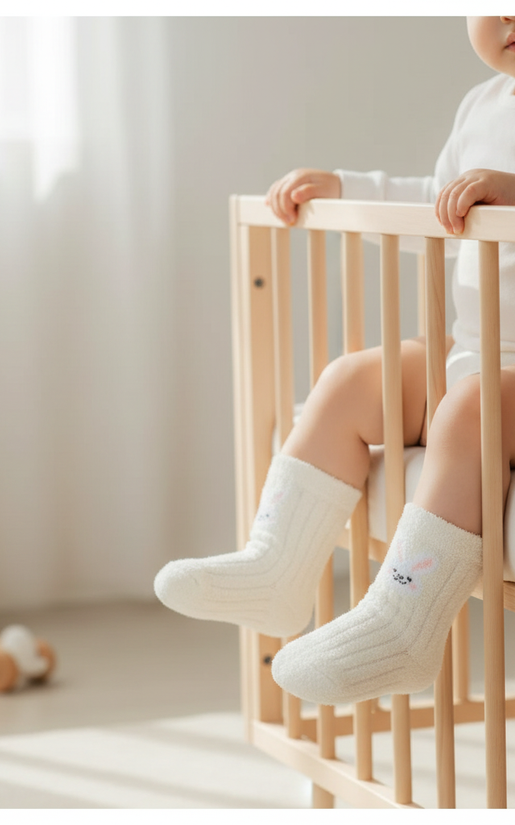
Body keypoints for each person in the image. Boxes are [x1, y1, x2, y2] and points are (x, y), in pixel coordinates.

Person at [154, 17, 515, 706]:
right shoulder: (481, 105)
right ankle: (275, 571)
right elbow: (434, 205)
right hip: (475, 352)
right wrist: (345, 186)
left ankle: (406, 627)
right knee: (353, 379)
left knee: (471, 407)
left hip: (504, 384)